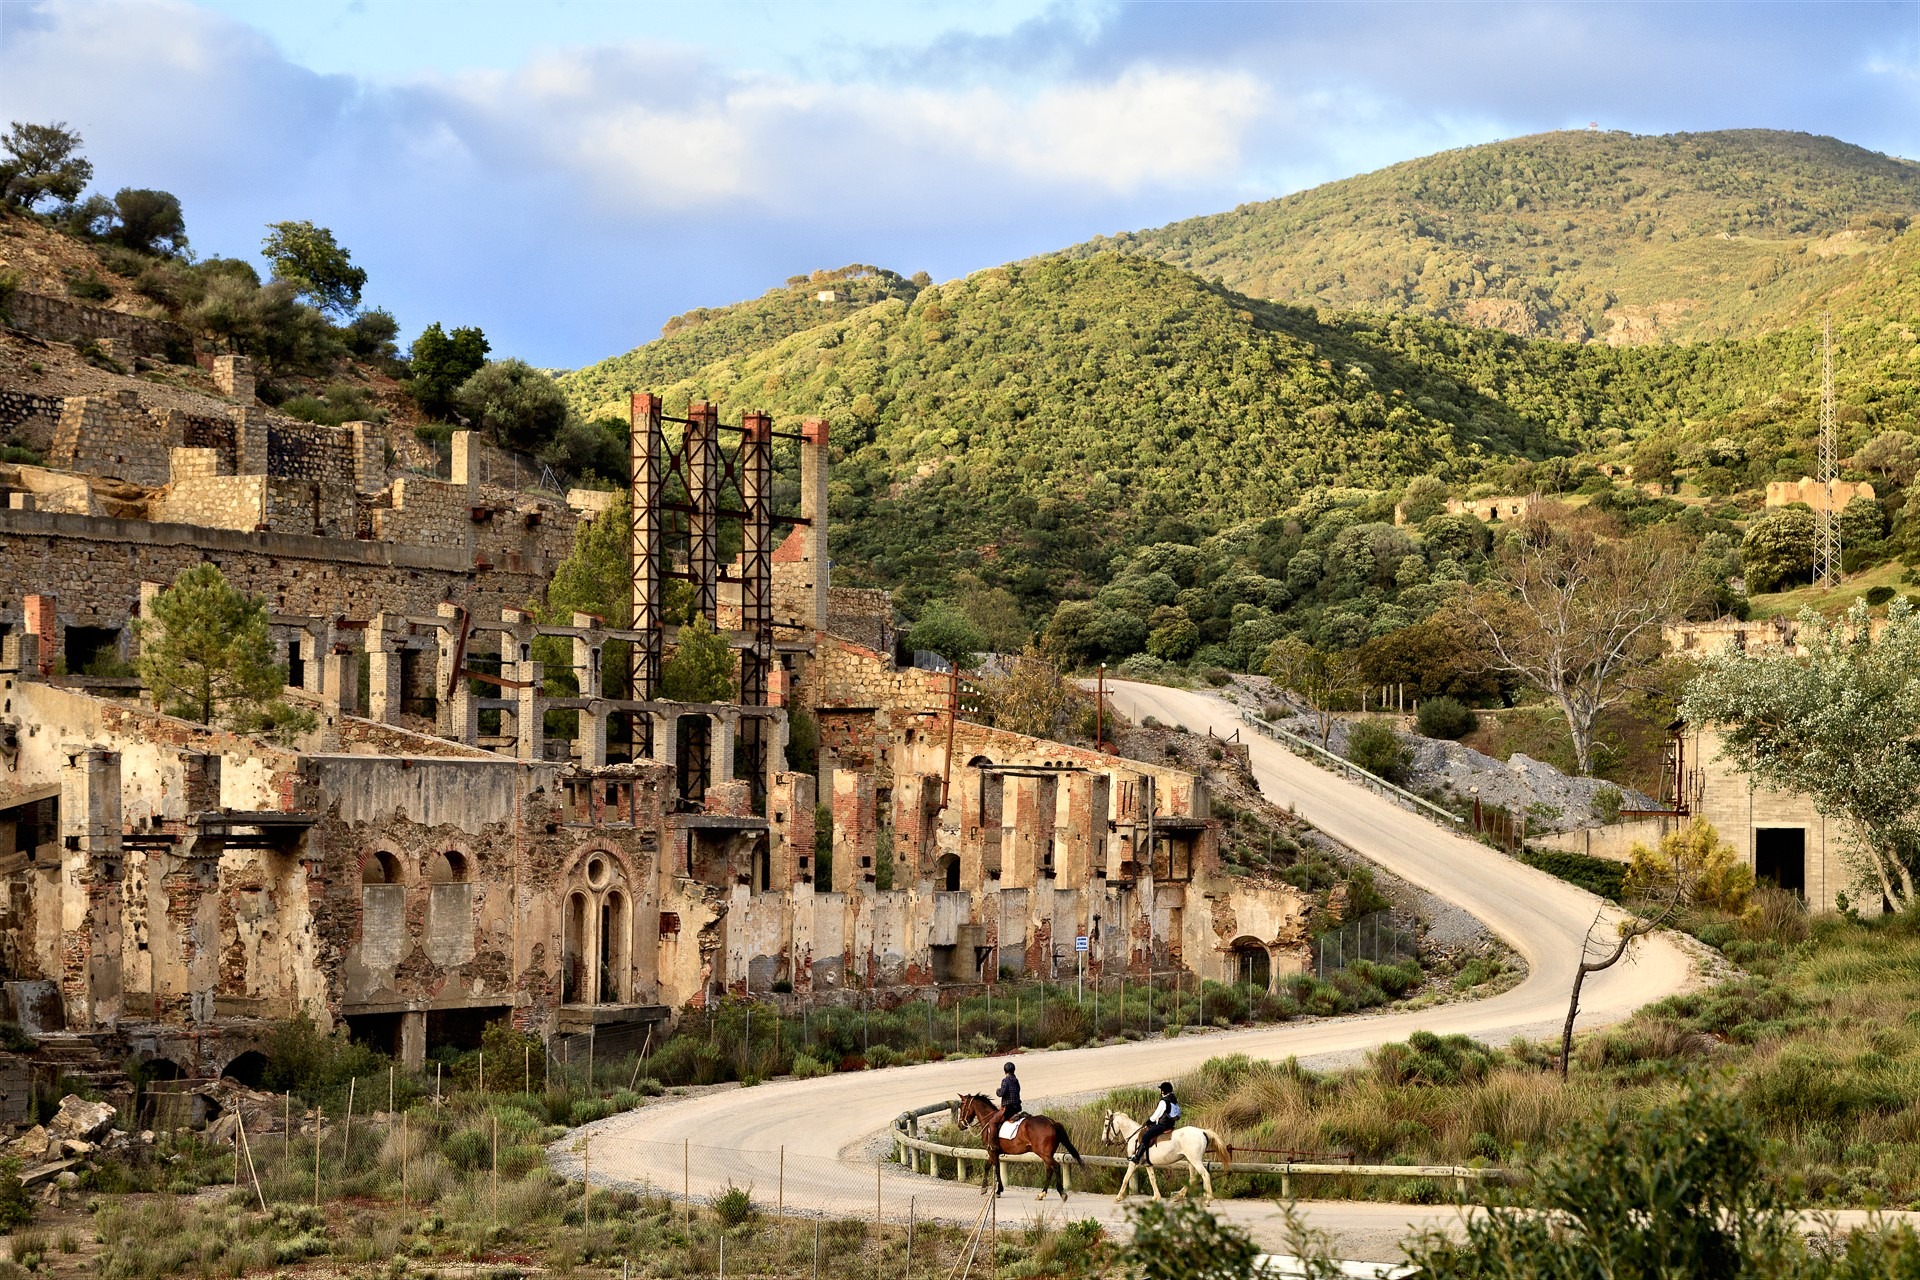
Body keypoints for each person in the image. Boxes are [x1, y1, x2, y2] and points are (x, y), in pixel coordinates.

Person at [1133, 1081, 1180, 1163]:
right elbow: (1177, 1114)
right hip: (1170, 1125)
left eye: (1161, 1090)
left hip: (1162, 1125)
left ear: (1163, 1091)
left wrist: (1148, 1121)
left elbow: (1156, 1115)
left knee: (1145, 1136)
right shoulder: (1174, 1100)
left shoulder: (1164, 1101)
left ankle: (1137, 1157)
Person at [990, 1061, 1024, 1136]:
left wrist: (997, 1091)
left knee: (992, 1122)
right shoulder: (1016, 1081)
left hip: (1008, 1108)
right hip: (1017, 1107)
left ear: (1005, 1071)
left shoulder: (1005, 1080)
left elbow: (1001, 1093)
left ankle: (993, 1144)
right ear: (1013, 1070)